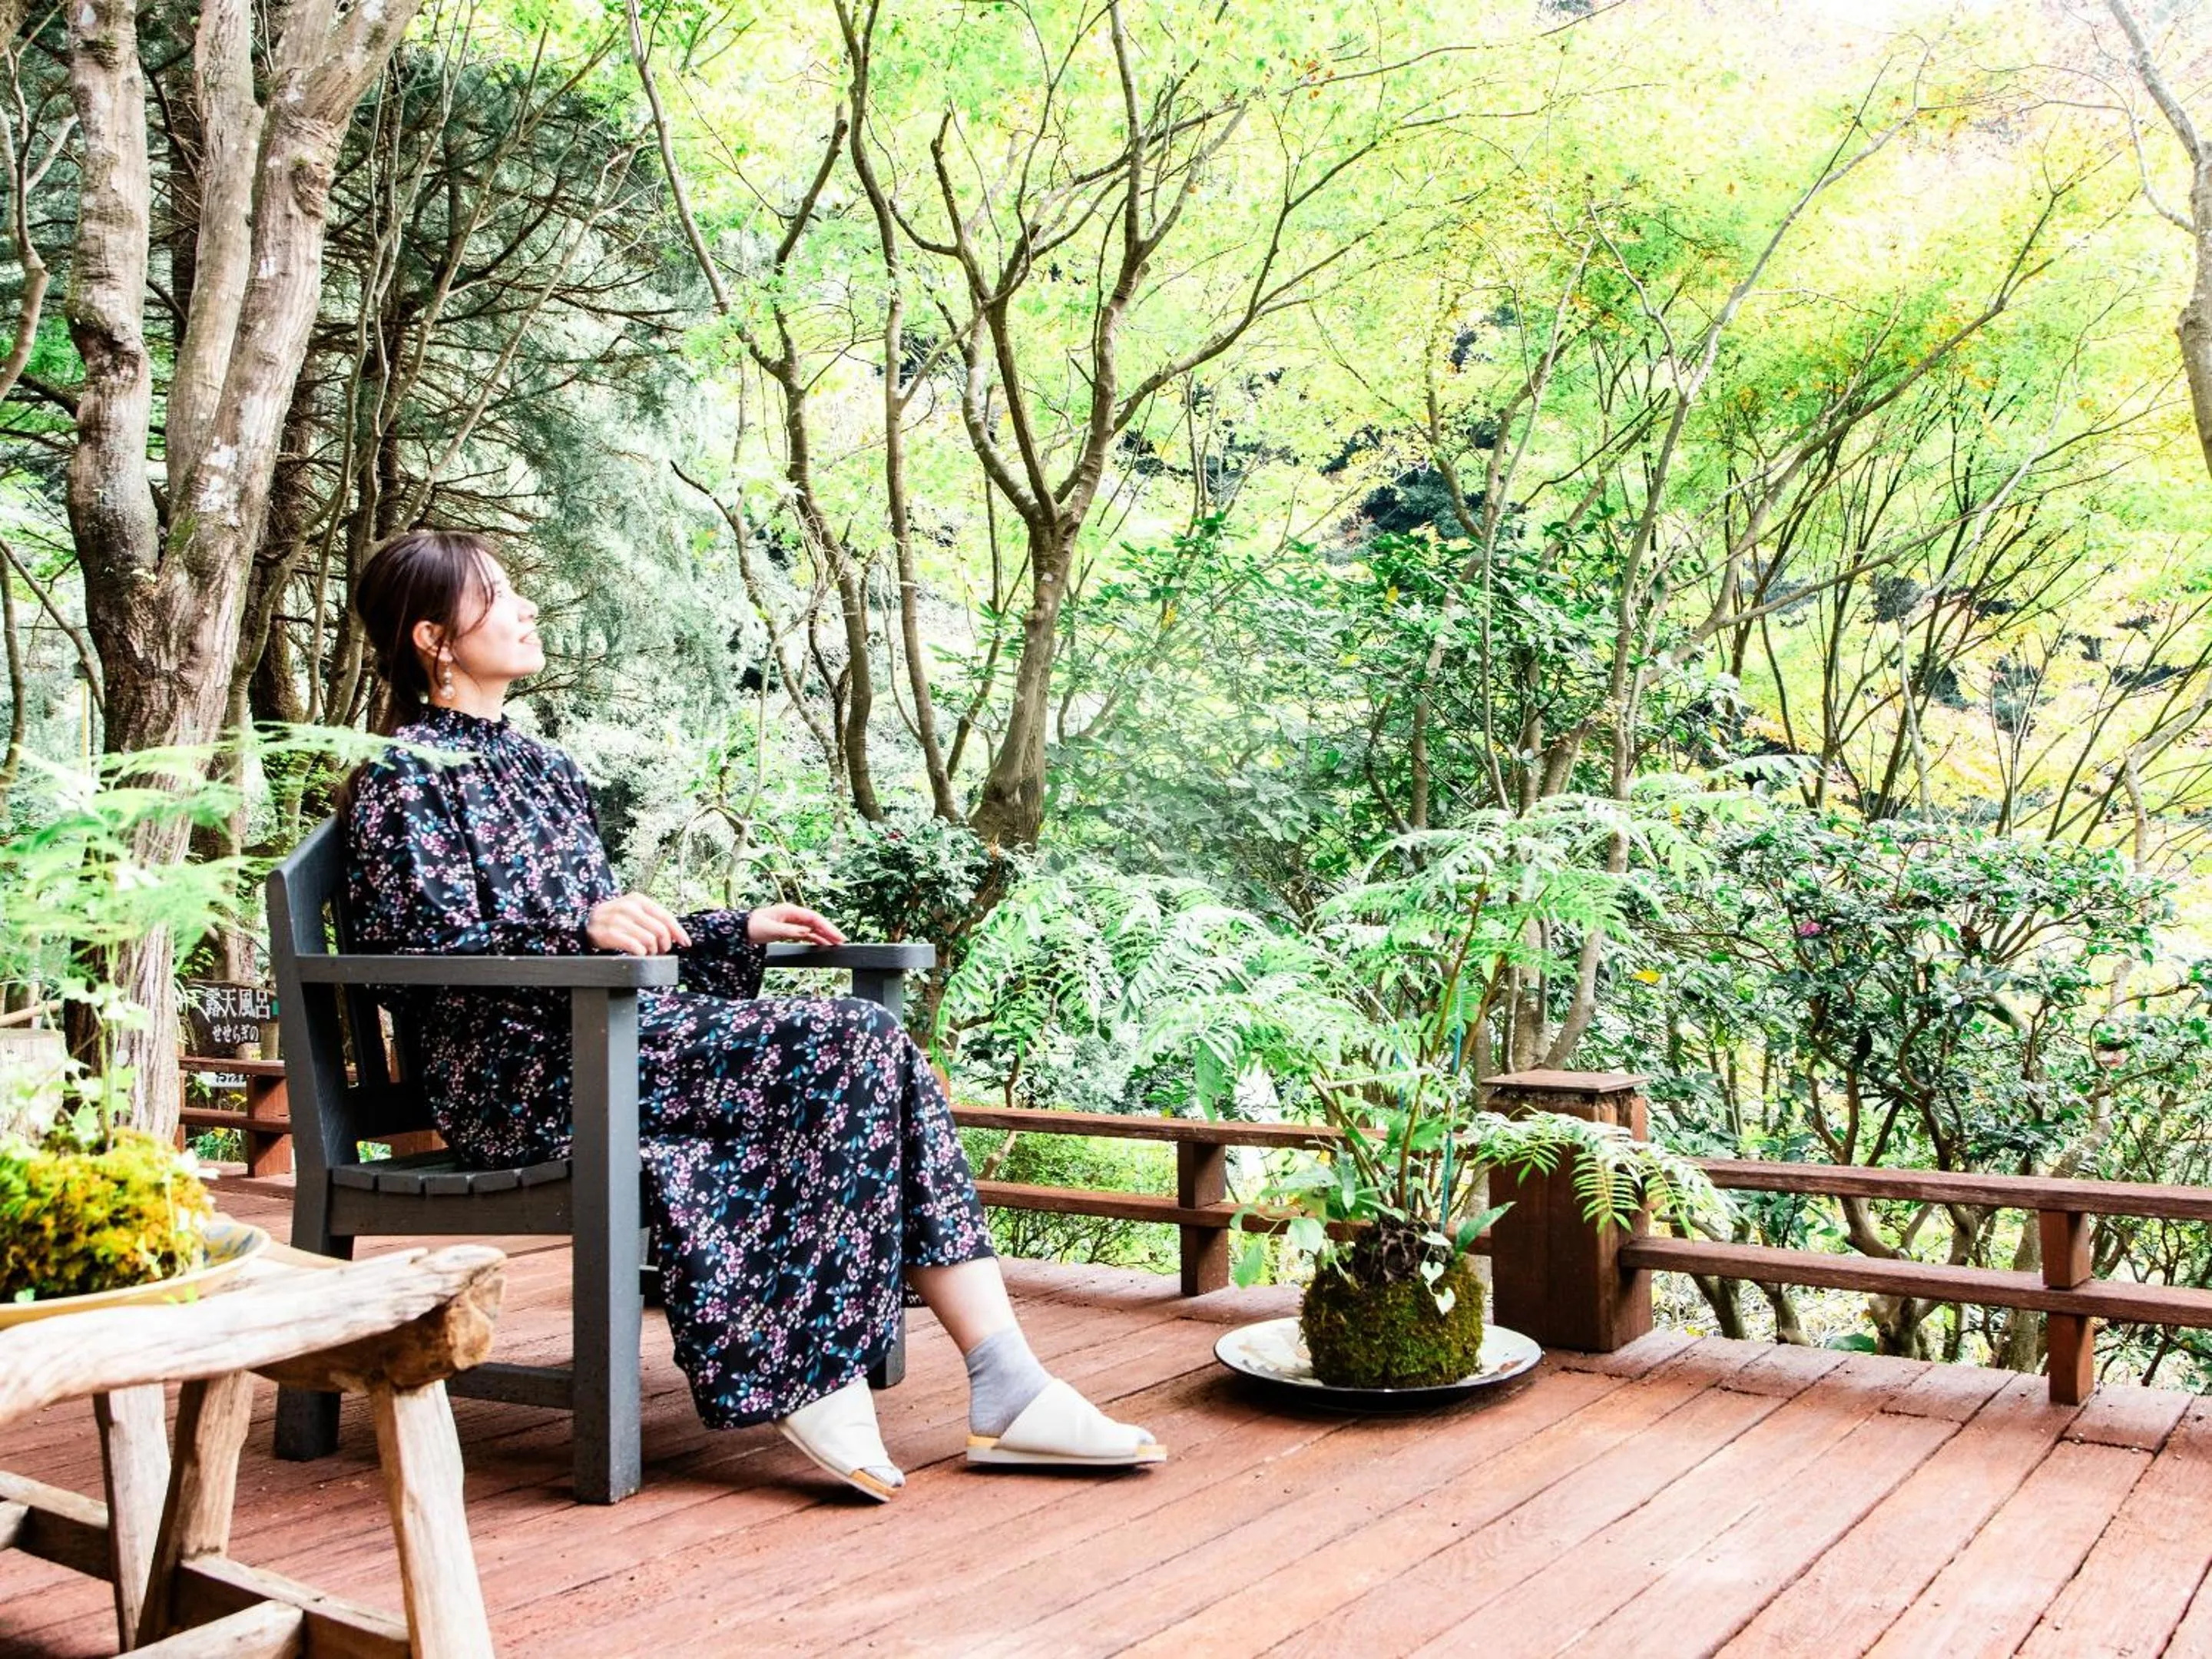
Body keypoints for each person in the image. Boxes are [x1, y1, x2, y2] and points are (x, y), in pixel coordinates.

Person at [340, 527, 1162, 1500]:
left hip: (617, 1043)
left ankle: (993, 1381)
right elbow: (414, 965)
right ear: (435, 639)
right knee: (858, 1040)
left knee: (874, 1051)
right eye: (498, 595)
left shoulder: (547, 768)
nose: (524, 609)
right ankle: (888, 1373)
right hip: (523, 1079)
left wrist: (729, 930)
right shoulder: (402, 776)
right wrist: (578, 930)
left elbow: (612, 932)